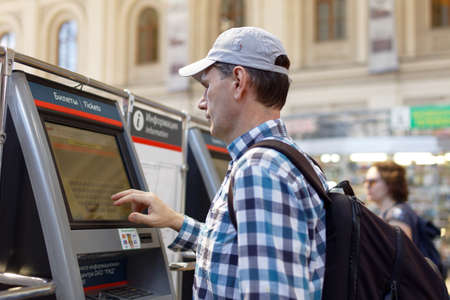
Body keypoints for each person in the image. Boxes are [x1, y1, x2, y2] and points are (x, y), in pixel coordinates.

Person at [112, 27, 328, 299]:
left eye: (207, 86)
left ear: (238, 81)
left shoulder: (259, 170)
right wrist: (175, 220)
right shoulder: (289, 161)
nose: (202, 103)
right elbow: (240, 253)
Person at [364, 161, 417, 241]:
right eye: (365, 181)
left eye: (372, 182)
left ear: (390, 183)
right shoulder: (387, 213)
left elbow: (400, 251)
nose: (367, 186)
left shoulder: (398, 214)